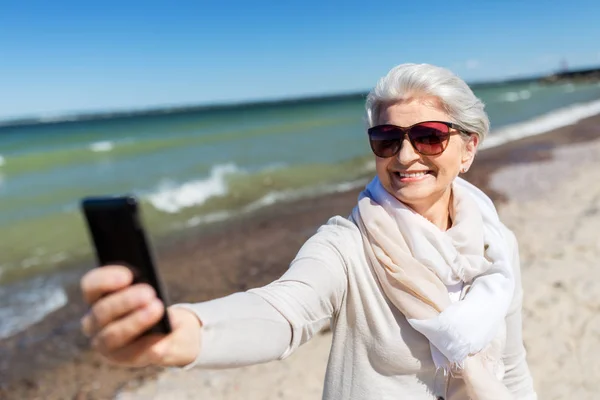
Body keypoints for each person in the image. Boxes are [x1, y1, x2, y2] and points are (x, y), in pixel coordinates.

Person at [80, 63, 537, 399]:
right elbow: (283, 313)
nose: (403, 156)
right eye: (386, 139)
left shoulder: (496, 244)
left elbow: (511, 368)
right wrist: (184, 333)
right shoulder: (346, 245)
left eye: (429, 136)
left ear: (468, 148)